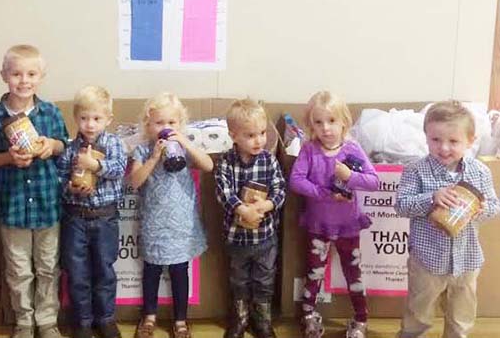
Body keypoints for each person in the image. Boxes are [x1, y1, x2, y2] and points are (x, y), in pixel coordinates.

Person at [0, 45, 68, 338]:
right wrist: (9, 159)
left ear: (41, 76)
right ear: (4, 75)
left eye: (31, 74)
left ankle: (47, 321)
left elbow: (64, 144)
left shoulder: (50, 112)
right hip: (12, 206)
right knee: (18, 270)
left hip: (47, 205)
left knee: (48, 267)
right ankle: (24, 321)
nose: (24, 80)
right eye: (16, 73)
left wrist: (49, 146)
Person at [395, 100, 499, 338]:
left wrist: (481, 209)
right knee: (417, 316)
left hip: (467, 260)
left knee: (461, 319)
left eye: (453, 141)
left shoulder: (479, 172)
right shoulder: (415, 170)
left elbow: (494, 206)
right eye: (435, 140)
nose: (443, 148)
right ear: (426, 137)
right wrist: (432, 197)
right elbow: (401, 206)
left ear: (470, 141)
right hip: (426, 262)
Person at [289, 91, 379, 338]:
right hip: (318, 225)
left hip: (348, 225)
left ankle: (361, 317)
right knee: (314, 271)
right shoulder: (309, 149)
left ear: (344, 122)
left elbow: (374, 181)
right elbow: (296, 180)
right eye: (318, 122)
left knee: (353, 271)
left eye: (331, 121)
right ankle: (308, 314)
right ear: (311, 125)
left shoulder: (353, 148)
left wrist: (350, 176)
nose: (326, 128)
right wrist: (323, 193)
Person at [129, 93, 213, 338]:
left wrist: (185, 143)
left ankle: (180, 320)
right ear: (148, 125)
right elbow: (134, 182)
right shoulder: (143, 151)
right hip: (155, 223)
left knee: (179, 271)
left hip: (181, 223)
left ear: (180, 124)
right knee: (152, 270)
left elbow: (208, 166)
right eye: (159, 123)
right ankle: (149, 316)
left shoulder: (184, 149)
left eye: (172, 123)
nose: (165, 128)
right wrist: (154, 157)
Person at [57, 85, 127, 338]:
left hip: (105, 217)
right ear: (76, 118)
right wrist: (70, 189)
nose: (90, 124)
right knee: (77, 272)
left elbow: (119, 168)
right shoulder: (69, 148)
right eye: (84, 118)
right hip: (75, 217)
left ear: (108, 119)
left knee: (105, 270)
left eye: (97, 118)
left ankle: (106, 318)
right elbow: (60, 179)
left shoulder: (115, 143)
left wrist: (94, 164)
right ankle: (83, 321)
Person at [215, 98, 286, 338]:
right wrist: (241, 209)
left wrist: (266, 204)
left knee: (265, 278)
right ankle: (240, 317)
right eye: (250, 135)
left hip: (265, 237)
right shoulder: (226, 162)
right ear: (233, 135)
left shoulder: (269, 160)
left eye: (262, 133)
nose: (259, 140)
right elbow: (222, 192)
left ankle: (262, 319)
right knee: (239, 279)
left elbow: (280, 191)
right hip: (236, 238)